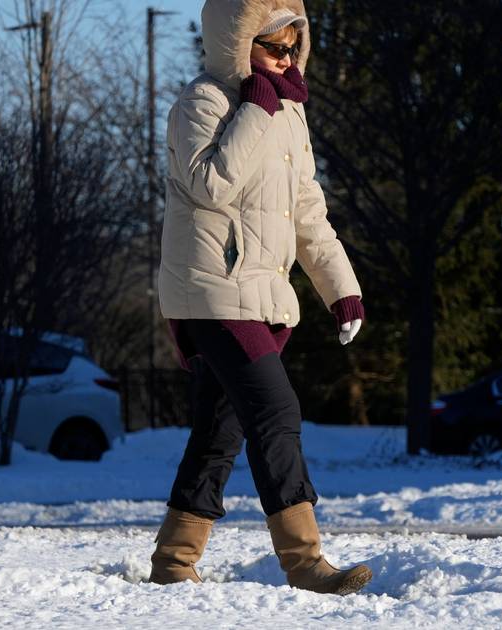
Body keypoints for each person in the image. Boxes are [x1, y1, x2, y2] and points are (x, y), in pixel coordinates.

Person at [149, 0, 372, 596]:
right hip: (210, 290)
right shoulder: (204, 103)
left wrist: (341, 289)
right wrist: (253, 109)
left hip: (263, 291)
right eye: (272, 45)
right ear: (238, 41)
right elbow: (208, 185)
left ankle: (173, 562)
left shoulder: (289, 114)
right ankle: (304, 562)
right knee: (277, 412)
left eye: (292, 45)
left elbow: (307, 212)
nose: (284, 56)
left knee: (219, 432)